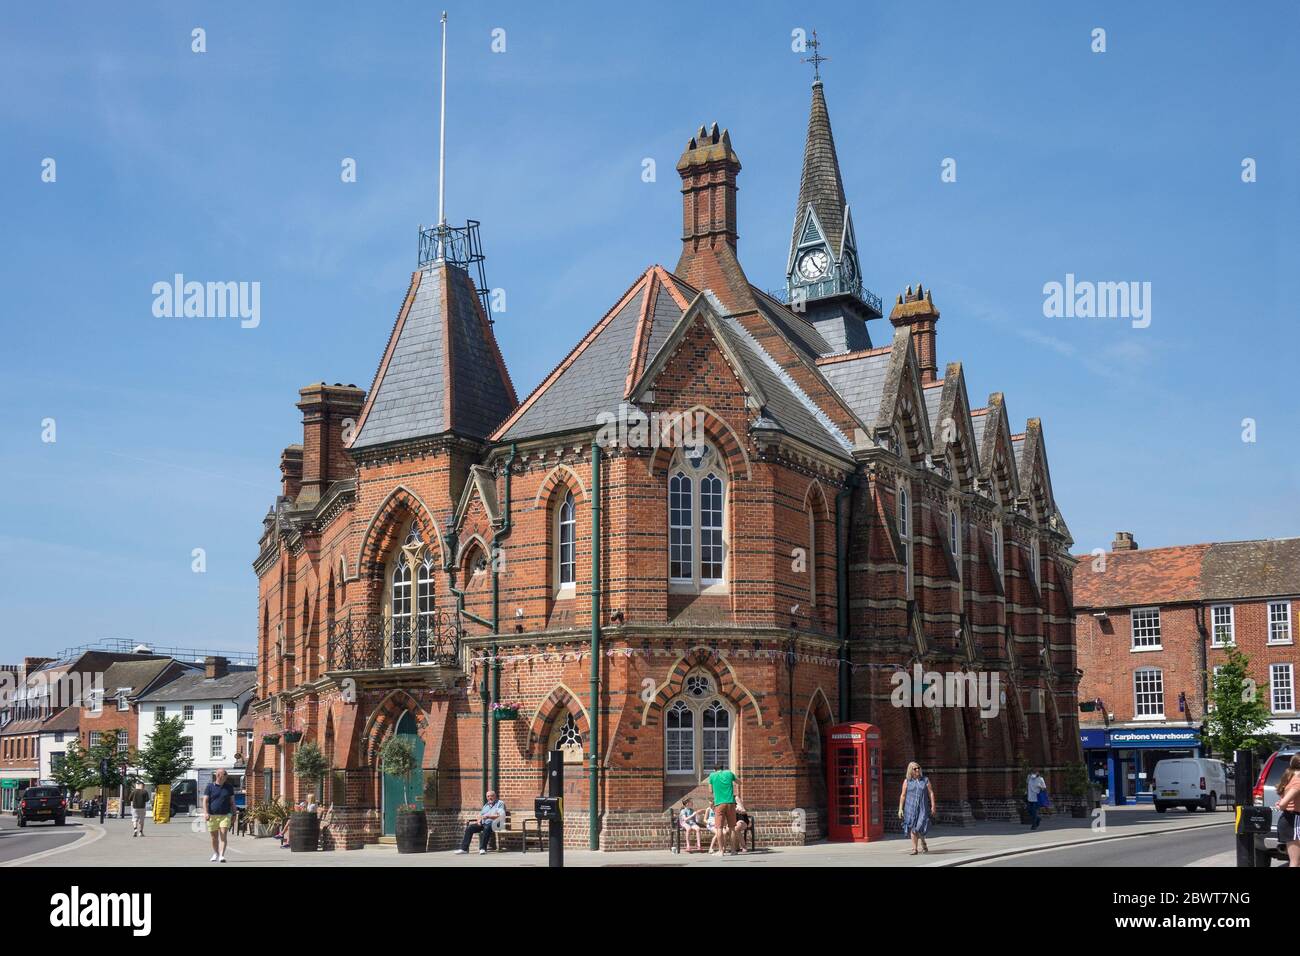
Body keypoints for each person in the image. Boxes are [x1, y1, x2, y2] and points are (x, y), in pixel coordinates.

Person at [898, 762, 936, 855]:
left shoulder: (925, 780)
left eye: (918, 768)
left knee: (920, 826)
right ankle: (914, 849)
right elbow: (903, 795)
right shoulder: (907, 781)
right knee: (913, 828)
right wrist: (900, 809)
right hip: (910, 808)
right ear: (911, 770)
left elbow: (931, 793)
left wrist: (933, 805)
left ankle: (922, 840)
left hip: (923, 808)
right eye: (915, 769)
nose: (918, 770)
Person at [454, 789, 506, 855]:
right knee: (470, 828)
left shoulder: (500, 803)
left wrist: (488, 816)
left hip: (496, 824)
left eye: (491, 796)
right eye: (488, 796)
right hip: (484, 823)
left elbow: (500, 815)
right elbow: (480, 815)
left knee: (487, 827)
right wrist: (478, 821)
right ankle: (464, 849)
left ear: (495, 796)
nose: (490, 798)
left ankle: (482, 849)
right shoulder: (486, 805)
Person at [202, 769, 237, 863]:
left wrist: (234, 813)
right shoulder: (210, 787)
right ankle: (216, 853)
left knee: (223, 835)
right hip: (212, 816)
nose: (226, 775)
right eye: (224, 774)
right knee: (214, 838)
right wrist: (206, 813)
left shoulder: (229, 787)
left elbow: (232, 802)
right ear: (218, 775)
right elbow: (205, 801)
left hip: (225, 815)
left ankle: (222, 855)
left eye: (226, 774)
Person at [707, 764, 741, 855]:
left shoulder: (712, 775)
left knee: (719, 827)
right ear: (723, 768)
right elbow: (740, 782)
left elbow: (710, 791)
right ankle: (733, 851)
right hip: (731, 802)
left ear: (715, 769)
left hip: (719, 803)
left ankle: (721, 851)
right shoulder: (729, 773)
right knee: (732, 828)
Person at [1274, 754, 1300, 868]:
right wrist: (1282, 804)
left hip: (1290, 820)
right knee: (1295, 862)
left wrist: (1281, 804)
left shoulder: (1290, 777)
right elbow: (1284, 803)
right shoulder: (1298, 780)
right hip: (1294, 821)